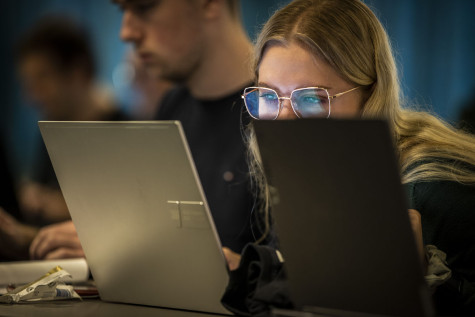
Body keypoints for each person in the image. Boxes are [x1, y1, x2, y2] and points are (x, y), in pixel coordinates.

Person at [221, 0, 475, 315]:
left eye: (312, 98)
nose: (282, 121)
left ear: (371, 96)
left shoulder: (438, 192)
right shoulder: (317, 170)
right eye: (268, 96)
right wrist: (248, 276)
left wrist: (422, 274)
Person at [29, 0, 272, 260]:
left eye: (144, 8)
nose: (126, 33)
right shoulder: (173, 107)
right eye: (124, 12)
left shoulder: (280, 111)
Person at [0, 16, 129, 260]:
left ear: (77, 72)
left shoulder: (128, 132)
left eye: (42, 79)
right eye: (28, 83)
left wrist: (64, 206)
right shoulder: (52, 132)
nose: (32, 97)